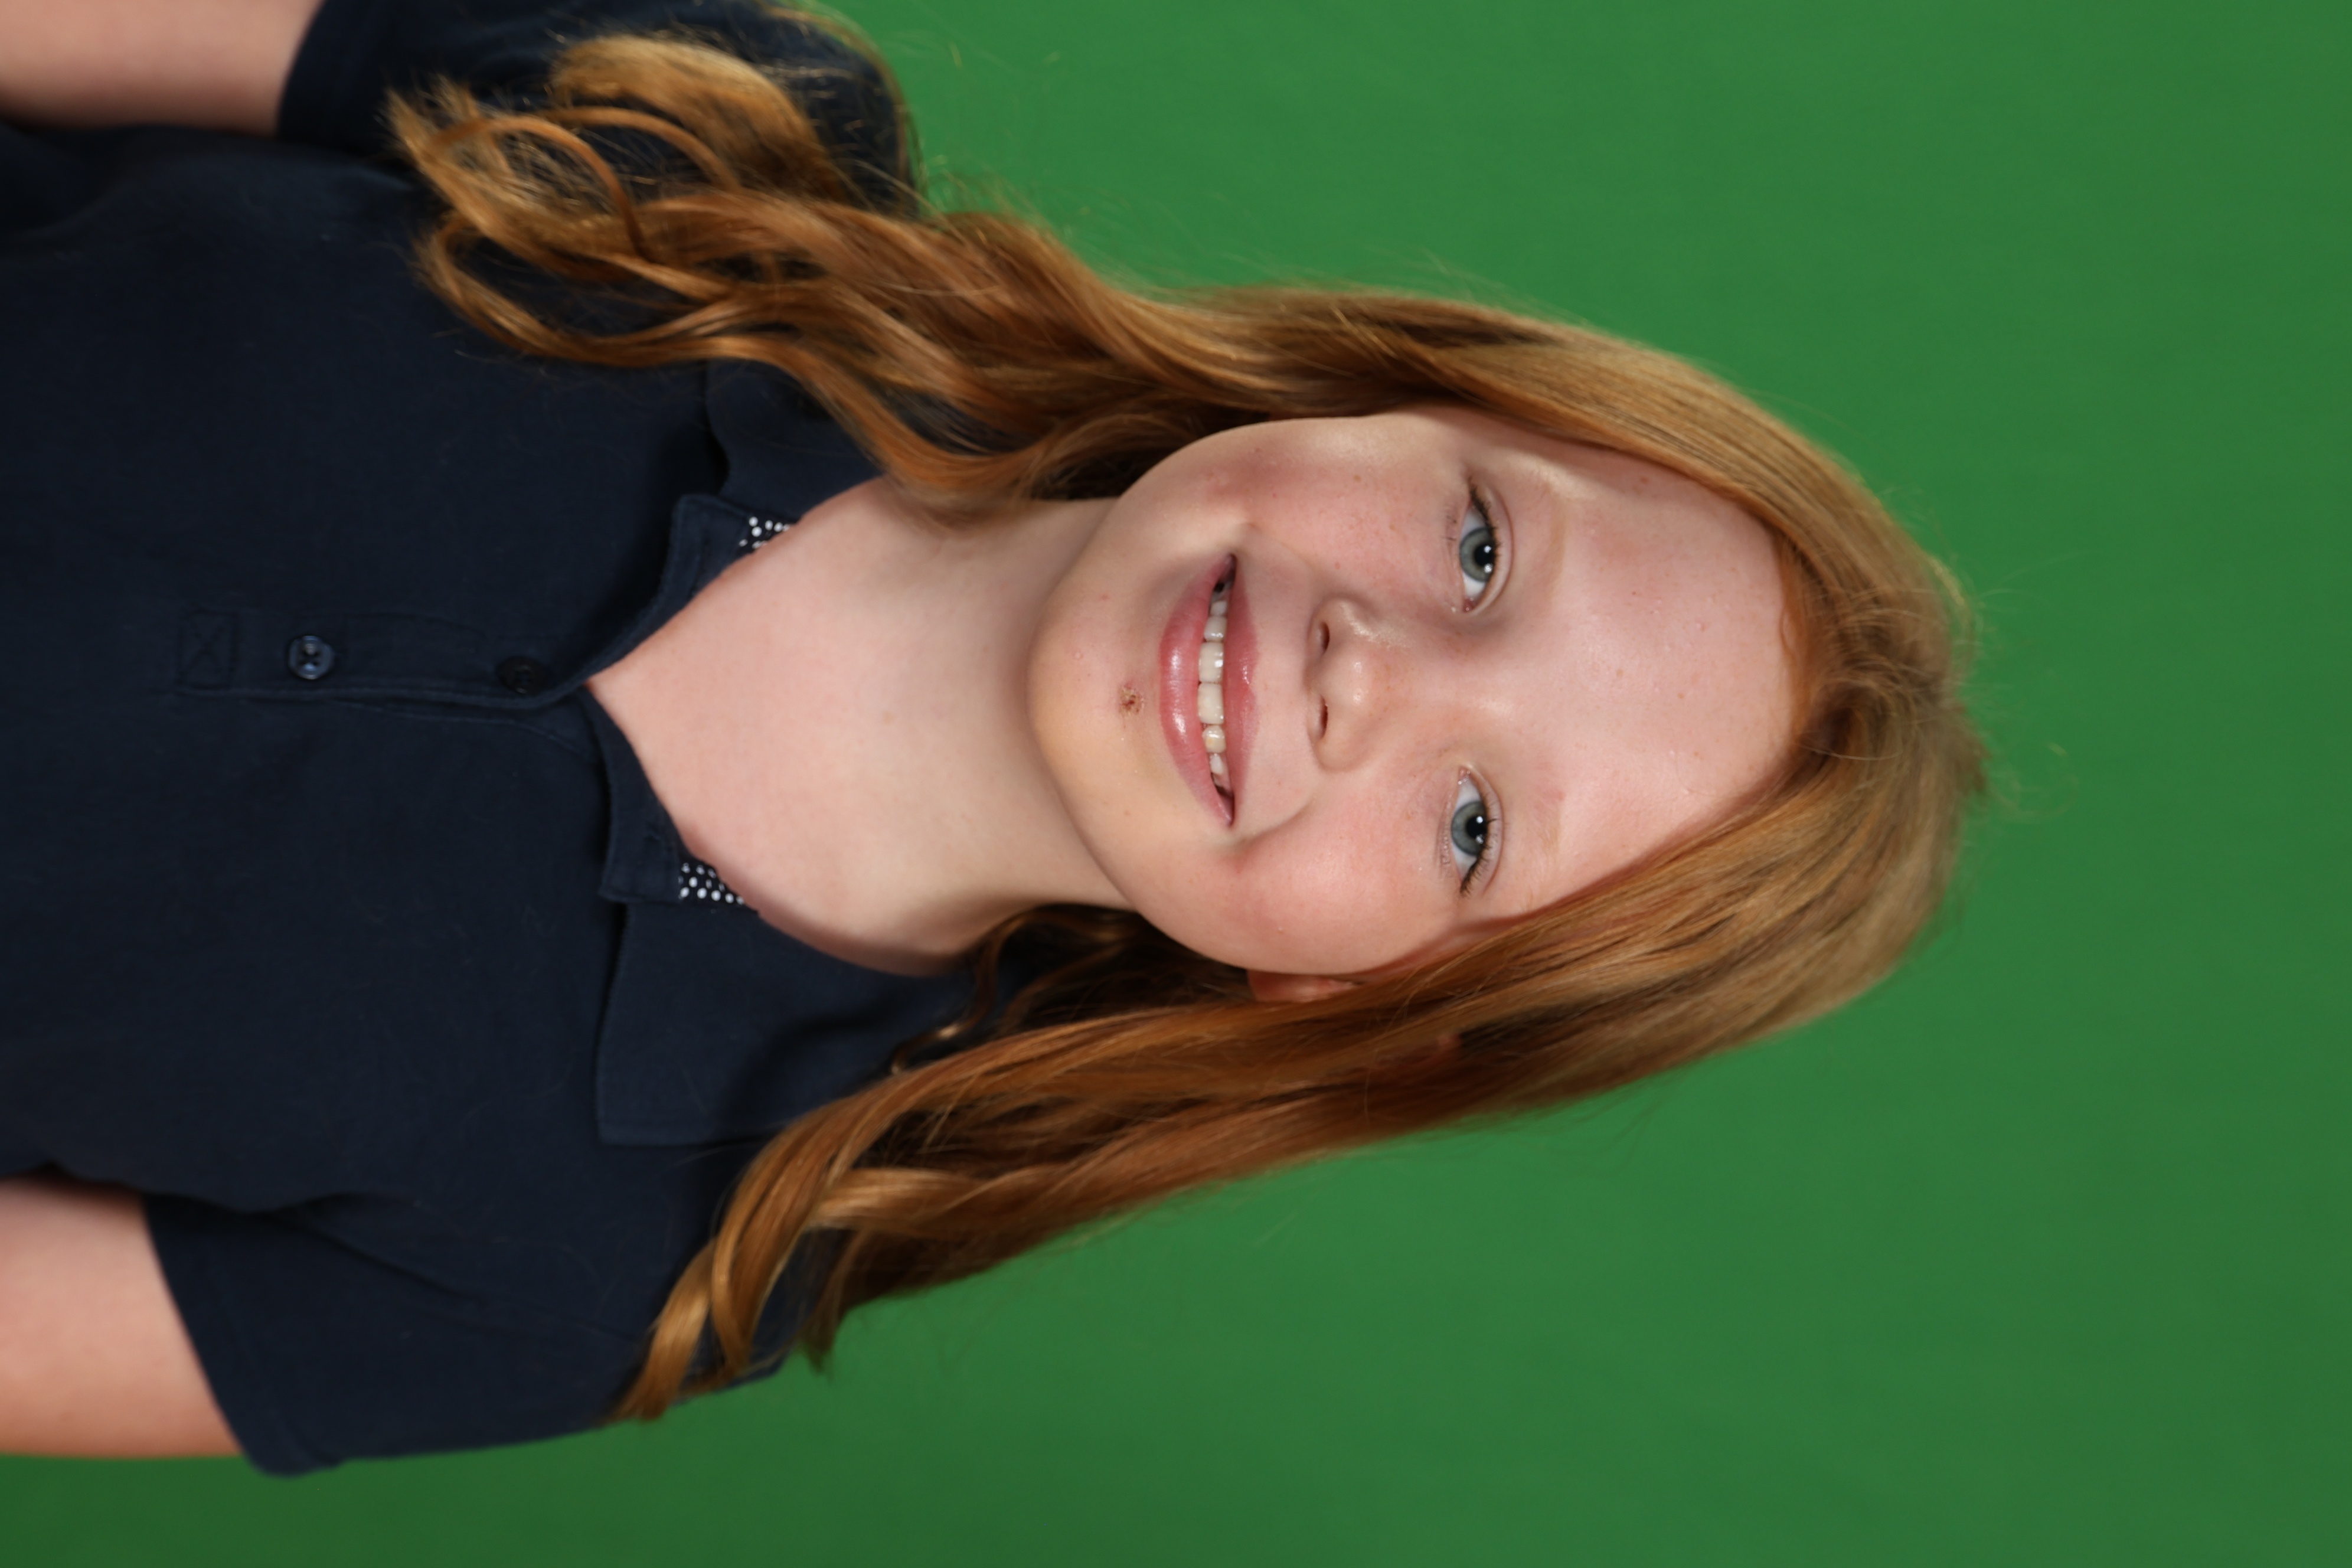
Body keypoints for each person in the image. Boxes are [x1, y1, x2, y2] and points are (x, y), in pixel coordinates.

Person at [0, 0, 1981, 1473]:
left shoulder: (638, 1265)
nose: (1365, 674)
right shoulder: (726, 125)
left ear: (1364, 1004)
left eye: (1473, 828)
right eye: (1480, 548)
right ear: (1406, 390)